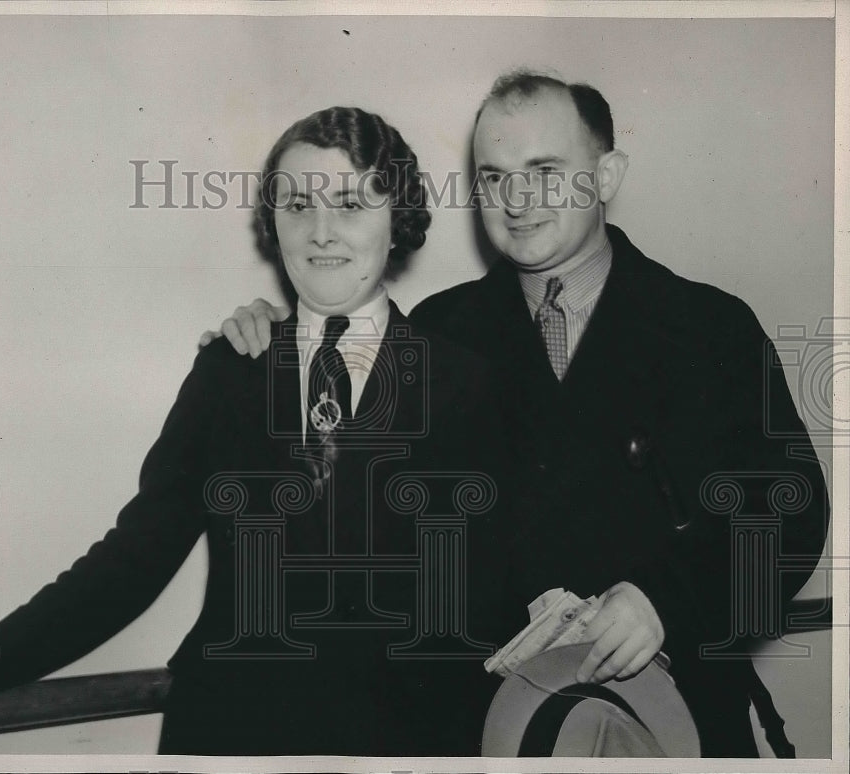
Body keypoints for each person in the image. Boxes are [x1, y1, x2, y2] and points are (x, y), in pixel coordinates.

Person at [211, 71, 830, 757]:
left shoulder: (709, 325)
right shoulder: (434, 334)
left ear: (605, 175)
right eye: (495, 177)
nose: (517, 200)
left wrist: (667, 600)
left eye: (544, 171)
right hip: (486, 731)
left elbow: (791, 508)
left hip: (671, 716)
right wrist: (285, 339)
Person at [0, 106, 518, 755]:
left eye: (351, 204)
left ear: (397, 217)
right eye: (298, 205)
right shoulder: (228, 370)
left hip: (397, 746)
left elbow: (486, 600)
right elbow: (134, 558)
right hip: (226, 735)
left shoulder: (461, 382)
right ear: (274, 223)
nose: (322, 232)